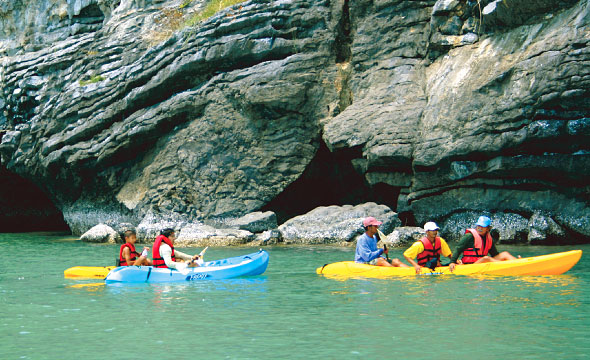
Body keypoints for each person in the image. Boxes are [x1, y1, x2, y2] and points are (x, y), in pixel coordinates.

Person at [449, 216, 519, 272]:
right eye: (478, 225)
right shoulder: (469, 236)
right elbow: (458, 249)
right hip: (471, 265)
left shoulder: (488, 238)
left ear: (488, 228)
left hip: (481, 263)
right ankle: (507, 266)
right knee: (486, 258)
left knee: (505, 254)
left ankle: (518, 263)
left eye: (483, 226)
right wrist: (452, 262)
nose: (480, 228)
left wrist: (503, 258)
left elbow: (495, 254)